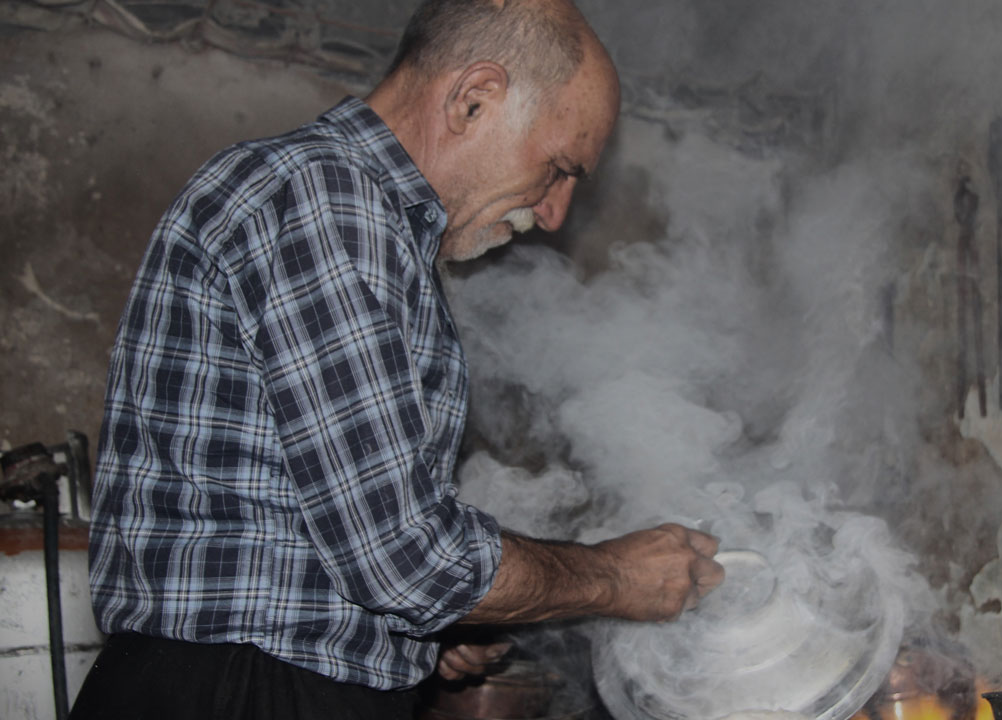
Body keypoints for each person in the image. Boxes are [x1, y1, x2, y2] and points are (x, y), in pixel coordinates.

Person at [70, 1, 725, 718]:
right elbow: (402, 555)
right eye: (558, 168)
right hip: (243, 692)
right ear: (475, 99)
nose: (555, 213)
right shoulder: (327, 198)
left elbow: (321, 528)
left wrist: (421, 631)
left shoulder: (360, 220)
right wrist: (612, 577)